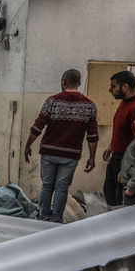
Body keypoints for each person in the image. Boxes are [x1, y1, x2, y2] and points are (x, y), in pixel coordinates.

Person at [24, 69, 99, 223]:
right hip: (70, 155)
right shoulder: (90, 106)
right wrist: (92, 157)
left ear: (63, 81)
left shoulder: (52, 101)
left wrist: (28, 145)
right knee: (61, 188)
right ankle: (56, 220)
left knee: (47, 186)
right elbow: (92, 136)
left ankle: (44, 218)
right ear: (79, 83)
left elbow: (38, 126)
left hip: (49, 152)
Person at [103, 70, 135, 206]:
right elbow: (122, 128)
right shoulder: (125, 102)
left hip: (125, 160)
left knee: (118, 198)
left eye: (113, 86)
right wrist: (112, 145)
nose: (110, 90)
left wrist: (127, 167)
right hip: (117, 156)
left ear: (125, 87)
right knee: (109, 191)